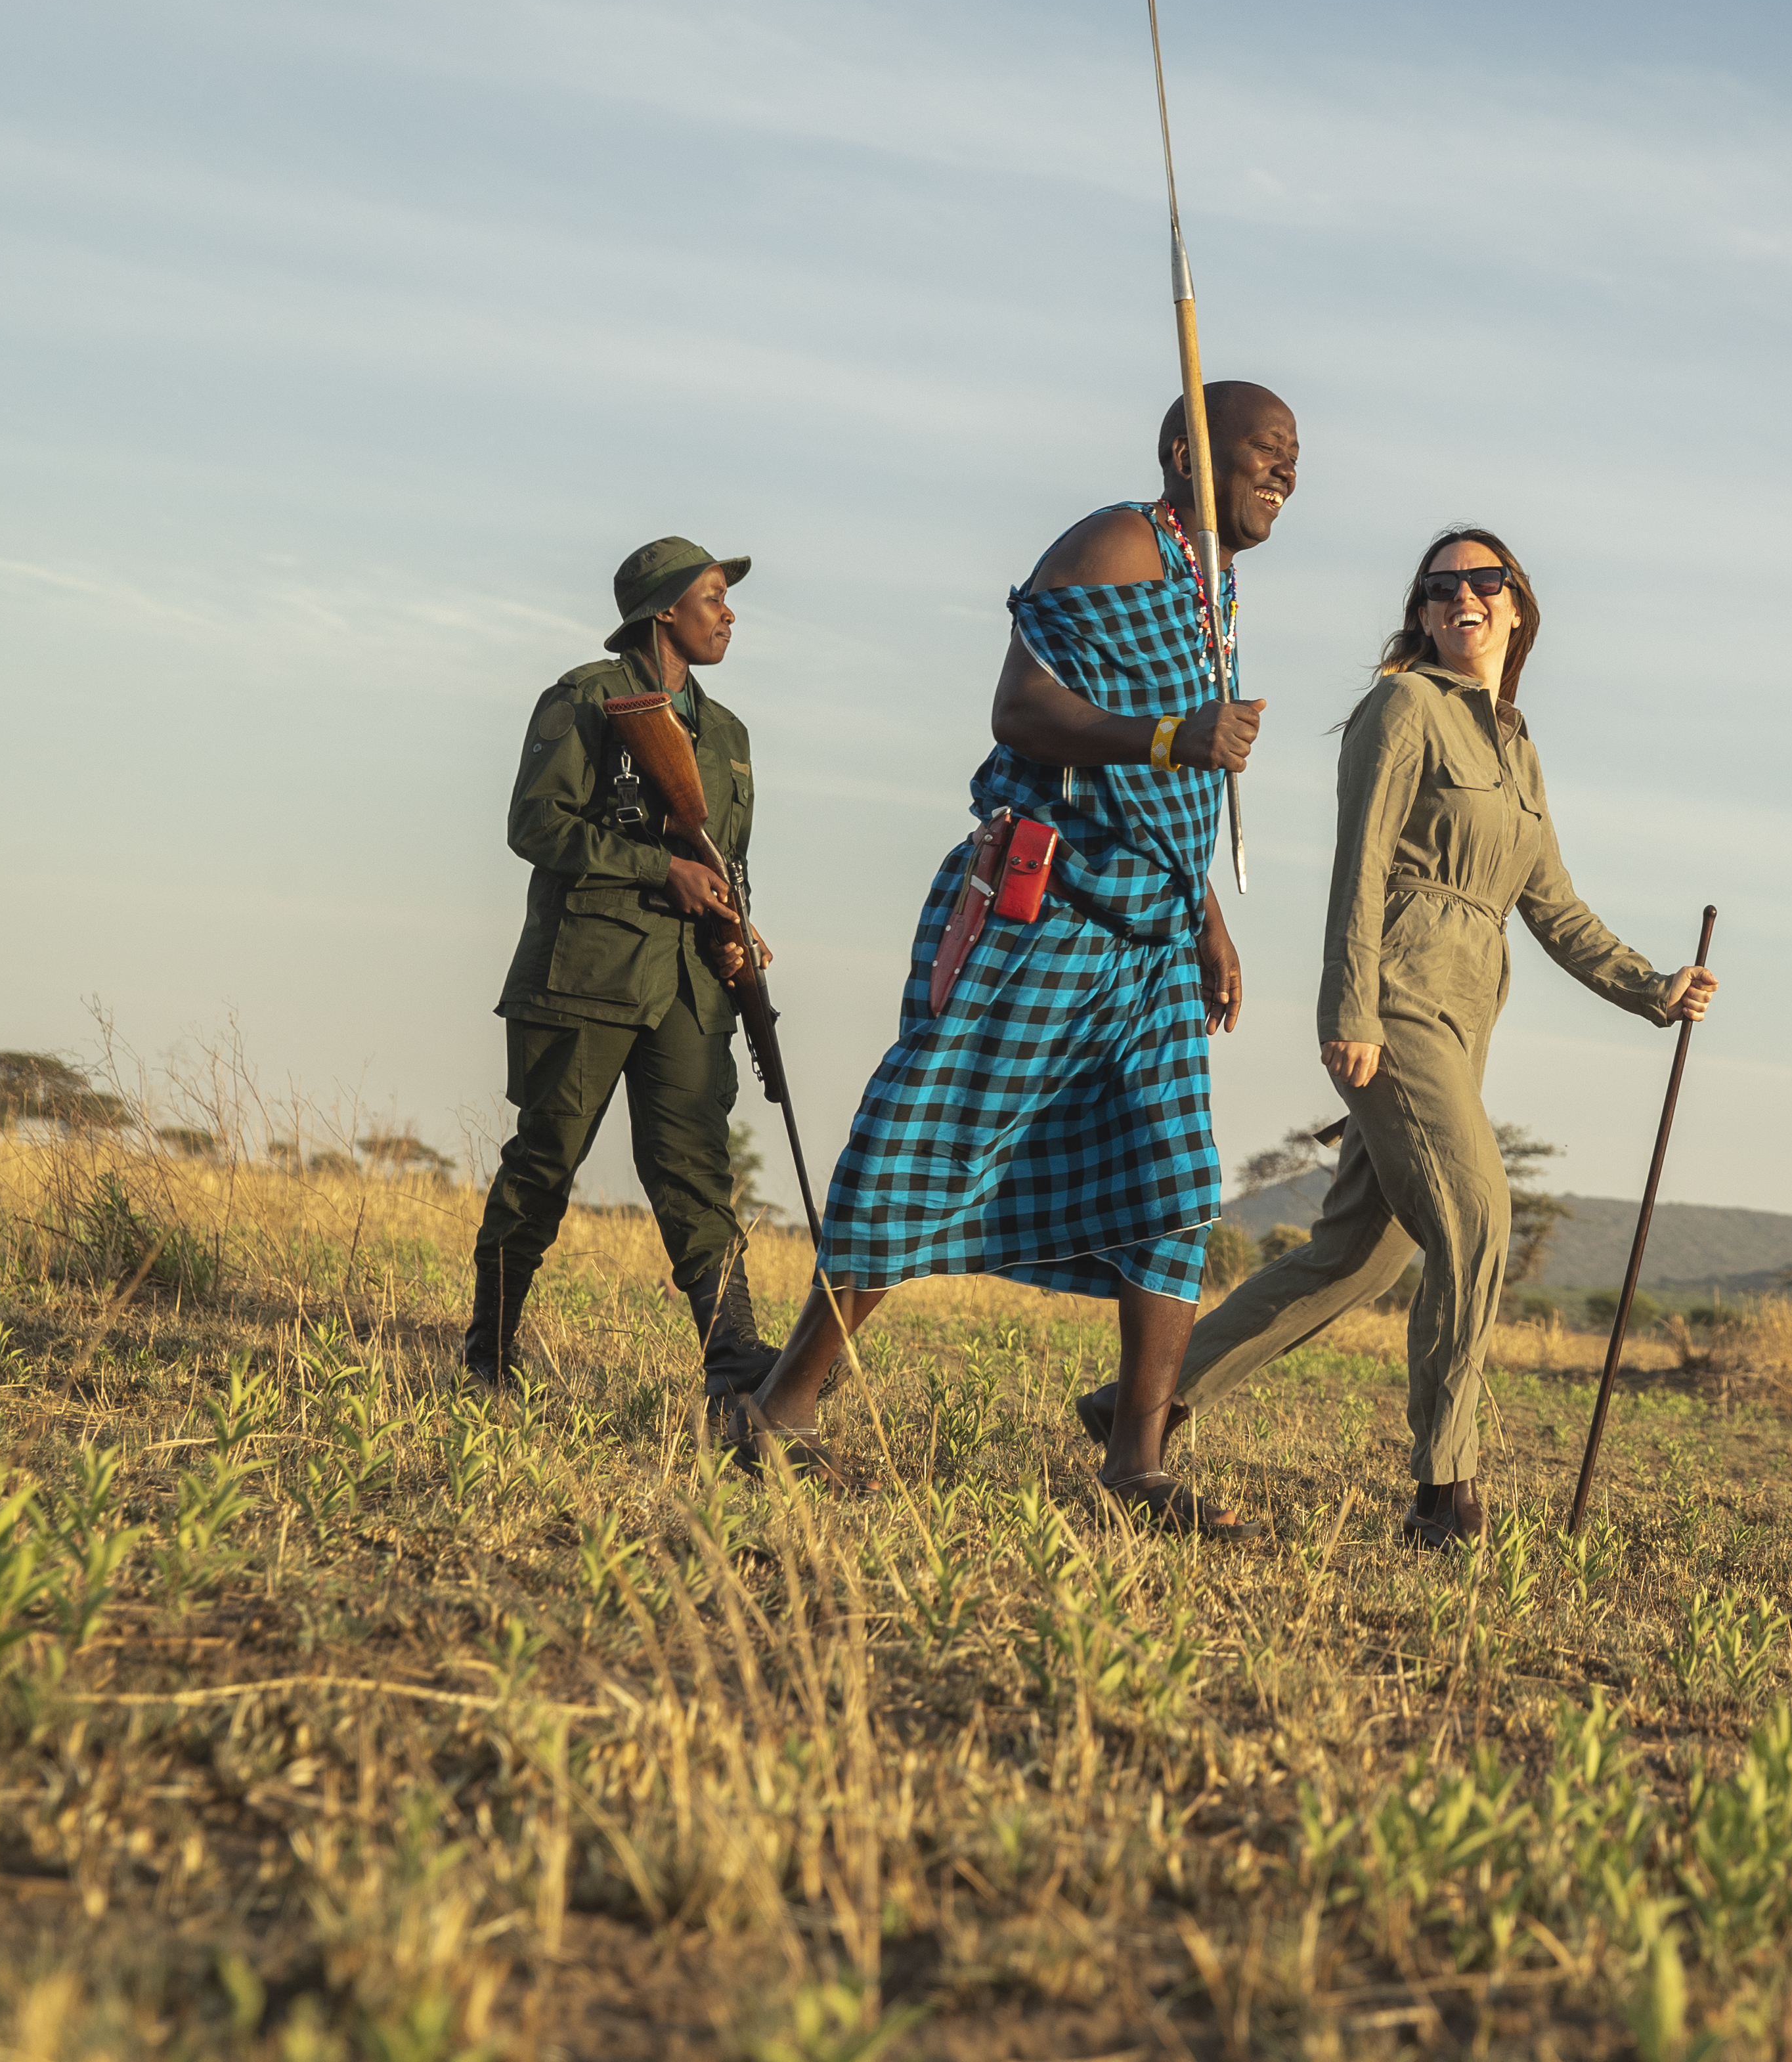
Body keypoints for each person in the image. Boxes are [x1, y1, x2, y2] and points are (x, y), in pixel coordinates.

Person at [1080, 529, 1717, 1548]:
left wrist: (1654, 987)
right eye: (1439, 588)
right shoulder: (1404, 705)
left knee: (1354, 1260)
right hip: (1399, 995)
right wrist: (1349, 1012)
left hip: (1470, 1013)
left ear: (1518, 605)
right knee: (1476, 1216)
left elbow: (1552, 906)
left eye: (1484, 581)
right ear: (1421, 614)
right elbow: (1361, 864)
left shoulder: (1517, 747)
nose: (1463, 597)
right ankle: (1443, 1492)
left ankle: (1138, 1406)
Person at [730, 384, 1298, 1523]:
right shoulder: (1118, 541)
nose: (1288, 475)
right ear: (1189, 449)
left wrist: (1208, 921)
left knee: (1173, 1189)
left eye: (1297, 461)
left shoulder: (1214, 592)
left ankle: (1137, 1468)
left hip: (1150, 933)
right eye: (1268, 453)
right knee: (929, 1148)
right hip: (1050, 902)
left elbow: (1169, 800)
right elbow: (1021, 708)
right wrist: (1174, 733)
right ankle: (778, 1411)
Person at [470, 538, 777, 1401]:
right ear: (663, 612)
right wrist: (658, 870)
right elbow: (535, 825)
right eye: (712, 597)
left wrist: (739, 930)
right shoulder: (588, 700)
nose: (728, 613)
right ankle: (488, 1357)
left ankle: (735, 1365)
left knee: (696, 1166)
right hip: (588, 972)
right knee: (546, 1160)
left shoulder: (729, 736)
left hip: (689, 985)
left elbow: (729, 861)